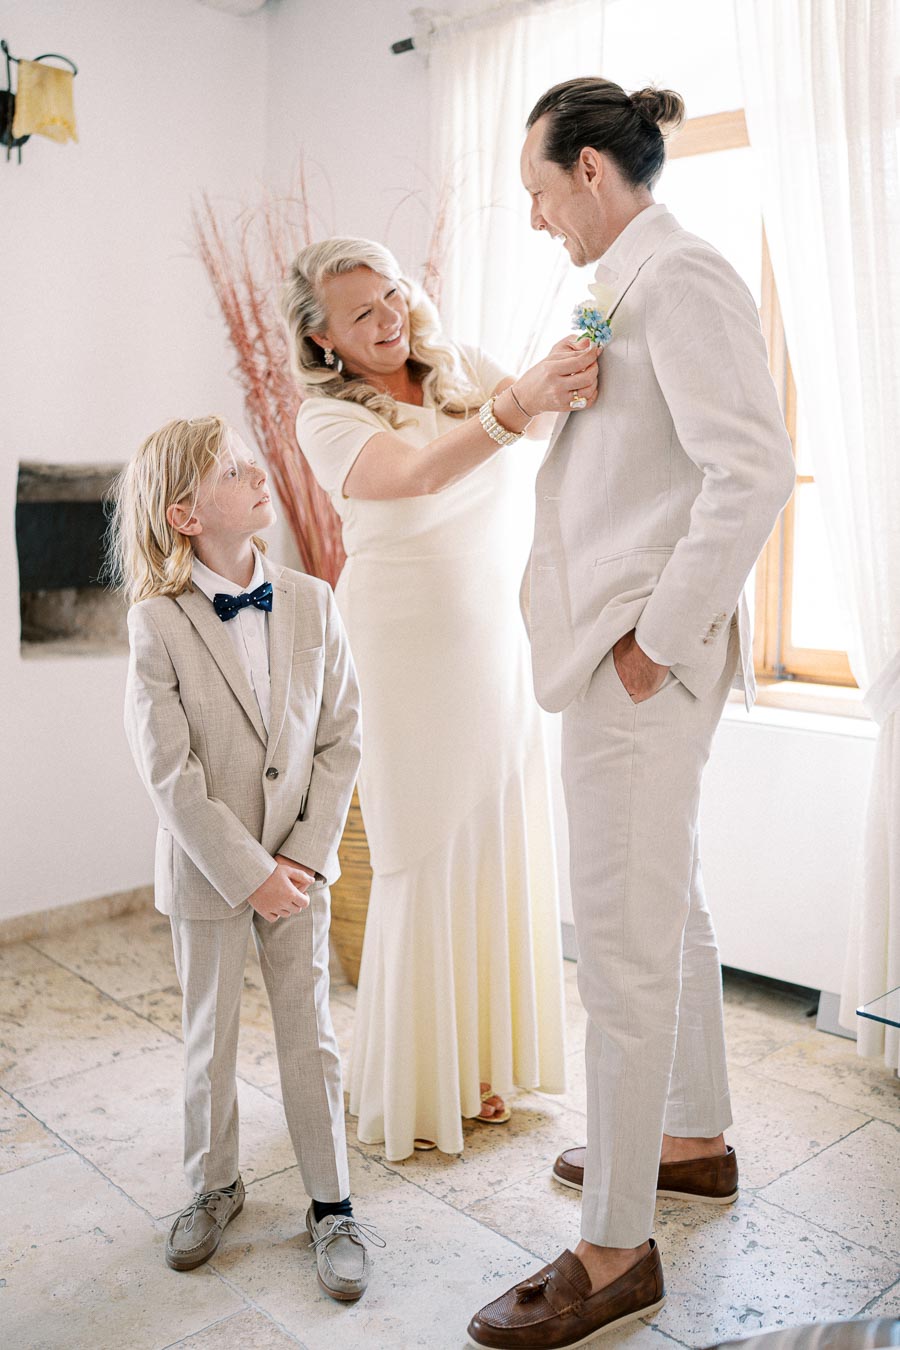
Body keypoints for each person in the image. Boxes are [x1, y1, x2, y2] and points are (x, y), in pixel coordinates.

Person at [468, 78, 796, 1348]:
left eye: (541, 192)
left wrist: (653, 642)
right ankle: (689, 1139)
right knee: (671, 907)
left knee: (618, 947)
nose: (538, 218)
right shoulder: (629, 282)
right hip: (622, 651)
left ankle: (612, 1246)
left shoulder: (684, 276)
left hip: (635, 660)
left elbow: (752, 469)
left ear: (592, 172)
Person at [282, 238, 600, 1160]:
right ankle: (419, 1081)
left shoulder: (461, 366)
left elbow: (548, 417)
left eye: (391, 295)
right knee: (423, 844)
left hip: (496, 638)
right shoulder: (324, 418)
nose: (388, 319)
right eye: (361, 314)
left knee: (495, 832)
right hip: (403, 646)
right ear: (323, 338)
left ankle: (484, 1064)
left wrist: (581, 353)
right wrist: (522, 399)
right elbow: (418, 475)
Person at [110, 415, 379, 1302]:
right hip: (208, 871)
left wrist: (299, 857)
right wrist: (248, 870)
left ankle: (332, 1203)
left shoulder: (312, 601)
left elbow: (341, 738)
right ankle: (213, 1186)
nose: (257, 473)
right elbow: (169, 772)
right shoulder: (156, 624)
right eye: (232, 470)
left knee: (310, 1033)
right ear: (186, 516)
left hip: (299, 870)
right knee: (209, 1036)